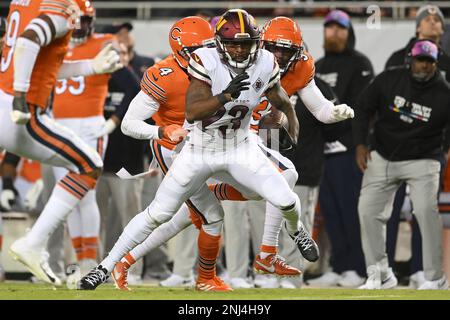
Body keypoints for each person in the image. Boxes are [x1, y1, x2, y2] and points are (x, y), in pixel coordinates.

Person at [78, 10, 353, 292]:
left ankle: (284, 240)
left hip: (239, 146)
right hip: (194, 148)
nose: (238, 50)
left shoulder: (264, 60)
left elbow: (280, 98)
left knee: (284, 193)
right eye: (232, 44)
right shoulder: (200, 63)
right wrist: (168, 127)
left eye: (245, 44)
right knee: (164, 213)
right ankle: (107, 266)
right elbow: (192, 111)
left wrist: (290, 123)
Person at [0, 0, 122, 286]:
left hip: (5, 102)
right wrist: (21, 95)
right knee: (89, 165)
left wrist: (90, 67)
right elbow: (30, 40)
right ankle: (33, 243)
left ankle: (37, 245)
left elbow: (38, 62)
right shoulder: (62, 6)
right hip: (19, 112)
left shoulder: (23, 4)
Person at [354, 40, 450, 290]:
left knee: (425, 212)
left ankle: (434, 278)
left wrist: (444, 152)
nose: (424, 65)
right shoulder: (389, 79)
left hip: (424, 159)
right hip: (384, 155)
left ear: (435, 64)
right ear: (410, 59)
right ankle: (381, 274)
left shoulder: (444, 92)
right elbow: (363, 108)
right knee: (367, 210)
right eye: (420, 60)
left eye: (429, 61)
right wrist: (360, 145)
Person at [49, 1, 126, 278]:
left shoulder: (106, 42)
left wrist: (113, 121)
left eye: (83, 20)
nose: (79, 25)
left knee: (85, 193)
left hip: (89, 126)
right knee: (67, 196)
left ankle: (89, 263)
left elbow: (128, 85)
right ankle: (79, 262)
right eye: (74, 20)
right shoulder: (52, 45)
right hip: (57, 126)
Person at [384, 4, 450, 287]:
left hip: (431, 148)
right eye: (429, 19)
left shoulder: (447, 62)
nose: (434, 23)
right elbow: (385, 100)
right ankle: (382, 269)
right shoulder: (398, 58)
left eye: (438, 20)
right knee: (386, 210)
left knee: (426, 209)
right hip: (395, 146)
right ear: (418, 26)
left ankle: (422, 270)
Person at [312, 9, 374, 287]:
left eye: (340, 28)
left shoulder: (360, 63)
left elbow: (364, 109)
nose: (334, 33)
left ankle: (357, 268)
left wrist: (360, 144)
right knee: (331, 212)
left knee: (351, 210)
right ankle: (338, 266)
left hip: (348, 150)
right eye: (329, 28)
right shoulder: (317, 66)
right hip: (322, 151)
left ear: (349, 33)